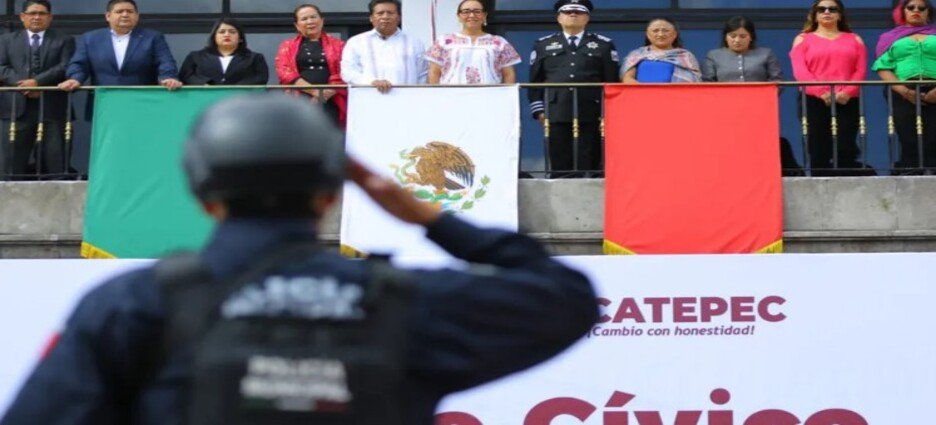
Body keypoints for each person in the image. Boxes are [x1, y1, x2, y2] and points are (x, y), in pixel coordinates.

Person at [0, 93, 597, 425]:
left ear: (204, 197)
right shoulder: (405, 301)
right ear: (330, 193)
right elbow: (566, 298)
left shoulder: (135, 305)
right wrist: (430, 217)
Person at [702, 16, 803, 176]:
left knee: (758, 142)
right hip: (725, 110)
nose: (737, 40)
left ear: (751, 37)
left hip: (759, 109)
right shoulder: (714, 55)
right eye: (733, 36)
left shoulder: (765, 53)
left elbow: (777, 80)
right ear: (725, 37)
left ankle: (759, 173)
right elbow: (708, 82)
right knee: (728, 142)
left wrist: (763, 97)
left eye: (743, 36)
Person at [528, 0, 619, 178]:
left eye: (578, 12)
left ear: (587, 18)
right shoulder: (543, 44)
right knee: (559, 152)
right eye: (568, 11)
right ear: (559, 18)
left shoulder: (603, 45)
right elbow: (535, 81)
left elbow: (611, 80)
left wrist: (610, 110)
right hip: (556, 108)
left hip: (591, 108)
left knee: (589, 152)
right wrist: (538, 109)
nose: (573, 14)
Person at [790, 0, 867, 174]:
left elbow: (860, 70)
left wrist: (847, 92)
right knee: (817, 143)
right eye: (821, 9)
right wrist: (820, 92)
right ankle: (820, 178)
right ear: (815, 15)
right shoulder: (803, 39)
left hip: (847, 99)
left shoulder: (854, 39)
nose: (827, 12)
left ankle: (846, 180)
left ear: (840, 15)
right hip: (813, 99)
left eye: (832, 9)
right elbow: (800, 71)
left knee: (845, 143)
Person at [0, 0, 74, 179]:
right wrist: (23, 85)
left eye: (41, 13)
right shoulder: (6, 40)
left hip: (52, 108)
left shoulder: (64, 40)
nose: (36, 17)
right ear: (22, 17)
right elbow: (1, 67)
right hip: (16, 109)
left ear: (50, 17)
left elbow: (65, 66)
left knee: (55, 160)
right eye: (32, 13)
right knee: (13, 162)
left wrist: (38, 82)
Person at [58, 0, 181, 92]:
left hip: (142, 99)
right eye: (119, 11)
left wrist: (168, 78)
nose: (125, 15)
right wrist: (75, 79)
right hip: (104, 100)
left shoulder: (153, 37)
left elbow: (165, 61)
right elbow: (79, 64)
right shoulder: (90, 38)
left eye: (130, 11)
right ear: (108, 16)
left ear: (137, 16)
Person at [872, 0, 936, 174]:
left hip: (934, 86)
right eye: (911, 7)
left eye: (921, 8)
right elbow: (882, 66)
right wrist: (903, 90)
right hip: (903, 90)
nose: (916, 10)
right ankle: (911, 170)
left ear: (928, 13)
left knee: (934, 134)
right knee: (907, 132)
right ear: (903, 12)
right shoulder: (890, 37)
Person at [275, 4, 347, 127]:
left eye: (313, 17)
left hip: (331, 98)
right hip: (299, 99)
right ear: (297, 25)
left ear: (322, 20)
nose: (310, 21)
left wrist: (323, 95)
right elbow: (284, 71)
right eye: (304, 19)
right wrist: (315, 92)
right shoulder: (287, 46)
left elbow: (346, 71)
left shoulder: (339, 45)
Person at [341, 0, 427, 94]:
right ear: (371, 18)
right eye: (380, 13)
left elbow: (423, 75)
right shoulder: (356, 42)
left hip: (407, 100)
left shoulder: (414, 42)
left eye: (390, 13)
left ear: (399, 17)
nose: (385, 17)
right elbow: (348, 72)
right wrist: (372, 82)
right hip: (367, 100)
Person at [426, 0, 521, 84]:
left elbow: (508, 74)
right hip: (451, 98)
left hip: (489, 97)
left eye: (477, 11)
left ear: (485, 15)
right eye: (466, 12)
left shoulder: (499, 42)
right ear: (458, 16)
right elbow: (434, 73)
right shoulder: (444, 41)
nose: (472, 15)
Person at [178, 17, 269, 86]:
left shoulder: (255, 58)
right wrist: (204, 84)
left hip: (241, 102)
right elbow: (186, 76)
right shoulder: (196, 57)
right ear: (214, 37)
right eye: (222, 32)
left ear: (240, 38)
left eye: (232, 32)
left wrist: (236, 88)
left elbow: (261, 78)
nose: (227, 35)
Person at [621, 17, 701, 83]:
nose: (660, 34)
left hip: (676, 98)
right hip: (641, 97)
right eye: (655, 31)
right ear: (648, 35)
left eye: (665, 30)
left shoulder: (686, 56)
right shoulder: (636, 55)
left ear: (674, 34)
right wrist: (646, 92)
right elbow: (627, 79)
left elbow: (694, 82)